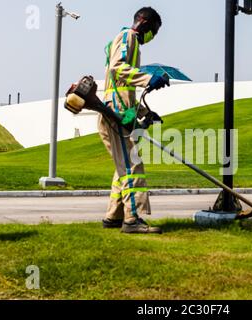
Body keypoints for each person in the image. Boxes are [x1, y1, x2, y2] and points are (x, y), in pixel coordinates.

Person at [98, 7, 169, 234]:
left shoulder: (128, 42)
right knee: (133, 166)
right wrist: (148, 78)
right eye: (154, 31)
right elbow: (119, 69)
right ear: (144, 22)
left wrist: (145, 115)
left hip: (116, 109)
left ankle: (114, 215)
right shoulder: (129, 36)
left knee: (123, 166)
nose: (153, 37)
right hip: (115, 111)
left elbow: (124, 91)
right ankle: (133, 220)